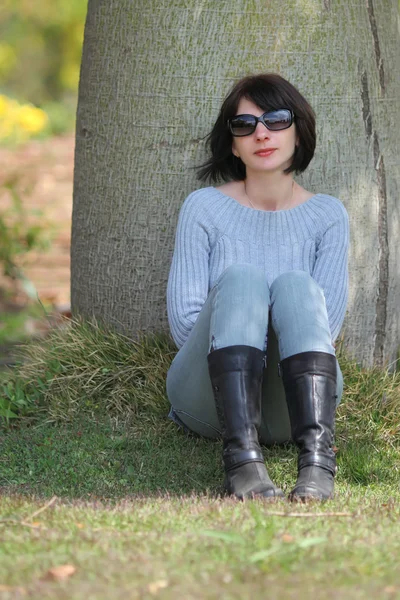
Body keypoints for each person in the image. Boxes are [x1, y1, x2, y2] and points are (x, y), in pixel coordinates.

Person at [166, 73, 349, 502]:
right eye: (244, 125)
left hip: (299, 405)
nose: (261, 133)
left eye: (276, 119)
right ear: (233, 143)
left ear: (299, 131)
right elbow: (184, 327)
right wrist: (242, 305)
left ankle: (318, 462)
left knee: (295, 286)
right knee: (243, 279)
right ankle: (241, 462)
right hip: (209, 401)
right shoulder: (204, 208)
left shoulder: (329, 216)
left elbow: (327, 330)